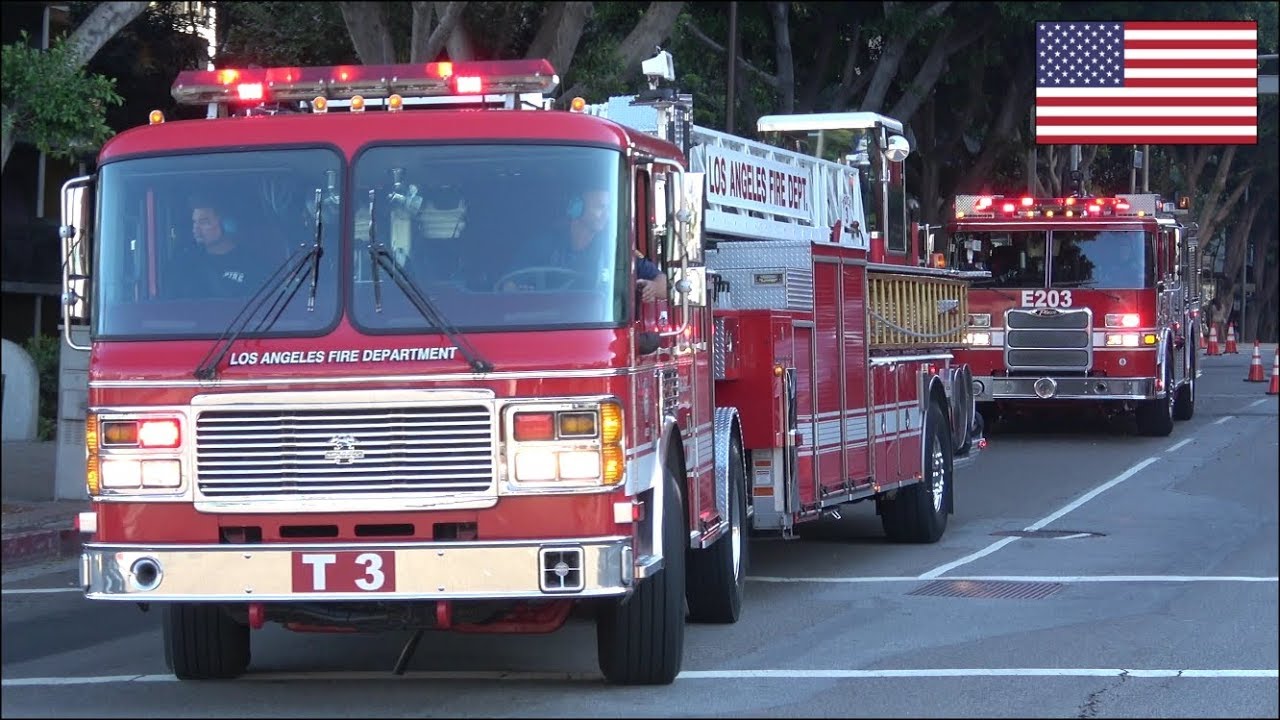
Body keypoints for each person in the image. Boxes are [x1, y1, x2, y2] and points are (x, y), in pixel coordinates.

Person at [505, 186, 668, 301]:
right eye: (600, 207)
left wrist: (652, 287)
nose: (607, 214)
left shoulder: (616, 250)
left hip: (596, 329)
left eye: (609, 208)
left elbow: (665, 285)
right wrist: (521, 296)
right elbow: (508, 285)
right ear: (577, 208)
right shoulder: (542, 245)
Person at [188, 196, 269, 297]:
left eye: (204, 222)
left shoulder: (252, 264)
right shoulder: (186, 265)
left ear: (227, 225)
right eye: (195, 222)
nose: (196, 229)